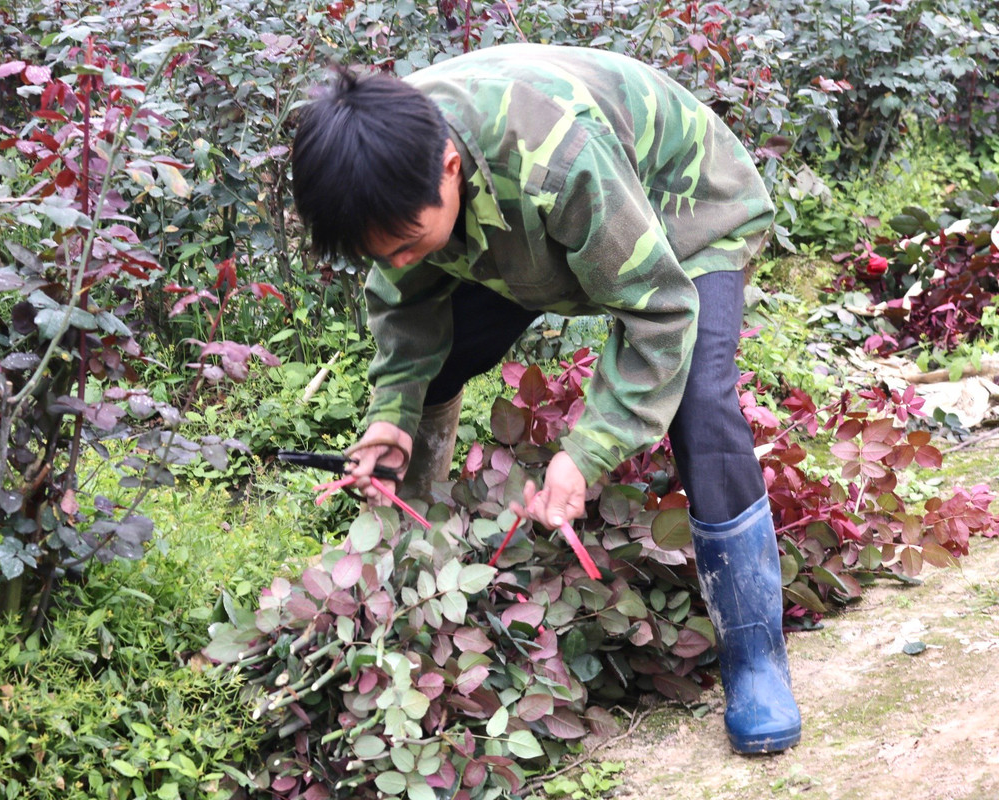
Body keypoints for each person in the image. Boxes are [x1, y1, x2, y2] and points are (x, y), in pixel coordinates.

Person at [289, 43, 800, 754]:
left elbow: (656, 311)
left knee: (700, 409)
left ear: (449, 167)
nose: (398, 263)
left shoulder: (558, 158)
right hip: (524, 232)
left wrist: (585, 455)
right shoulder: (391, 165)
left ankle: (756, 657)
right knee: (441, 358)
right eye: (381, 253)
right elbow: (405, 306)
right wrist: (392, 415)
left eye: (407, 243)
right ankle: (418, 573)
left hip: (682, 212)